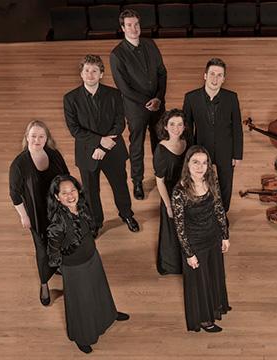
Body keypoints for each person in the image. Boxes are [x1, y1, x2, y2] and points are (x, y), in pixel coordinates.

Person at [46, 175, 130, 354]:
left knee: (100, 290)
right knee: (81, 303)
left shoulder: (82, 207)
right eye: (64, 193)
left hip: (92, 258)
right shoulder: (57, 224)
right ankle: (82, 336)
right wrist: (67, 270)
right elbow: (53, 256)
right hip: (74, 268)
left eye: (73, 190)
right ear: (56, 197)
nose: (70, 196)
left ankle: (109, 316)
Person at [63, 54, 139, 233]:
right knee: (90, 191)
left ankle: (126, 214)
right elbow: (74, 129)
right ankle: (96, 223)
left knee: (120, 185)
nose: (90, 74)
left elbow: (119, 123)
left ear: (101, 74)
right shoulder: (70, 99)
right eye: (86, 70)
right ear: (81, 74)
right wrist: (99, 142)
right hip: (87, 152)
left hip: (112, 150)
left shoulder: (114, 94)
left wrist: (104, 147)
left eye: (94, 71)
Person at [9, 120, 69, 306]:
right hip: (37, 216)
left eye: (41, 136)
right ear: (27, 138)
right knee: (43, 251)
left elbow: (66, 178)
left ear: (46, 138)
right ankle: (44, 283)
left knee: (62, 242)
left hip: (58, 211)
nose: (37, 139)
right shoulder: (19, 164)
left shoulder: (54, 155)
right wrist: (23, 216)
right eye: (33, 136)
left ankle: (61, 267)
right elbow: (14, 193)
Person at [172, 145, 231, 332]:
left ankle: (215, 308)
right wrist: (189, 254)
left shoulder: (211, 180)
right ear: (187, 164)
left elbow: (219, 209)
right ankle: (204, 320)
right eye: (195, 162)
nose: (200, 167)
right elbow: (179, 228)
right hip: (195, 244)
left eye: (204, 163)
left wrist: (224, 236)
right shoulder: (179, 192)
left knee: (213, 276)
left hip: (213, 237)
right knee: (200, 283)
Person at [110, 8, 168, 200]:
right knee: (136, 146)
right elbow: (123, 87)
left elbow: (162, 72)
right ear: (122, 28)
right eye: (129, 25)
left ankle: (162, 176)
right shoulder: (117, 55)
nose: (133, 29)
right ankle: (137, 181)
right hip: (136, 108)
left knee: (160, 141)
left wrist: (158, 97)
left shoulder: (150, 44)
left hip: (157, 104)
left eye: (136, 24)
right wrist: (146, 102)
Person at [183, 58, 243, 212]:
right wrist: (190, 154)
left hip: (226, 149)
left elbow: (237, 126)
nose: (215, 78)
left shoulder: (231, 97)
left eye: (219, 75)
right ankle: (205, 211)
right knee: (201, 181)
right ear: (205, 75)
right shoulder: (191, 98)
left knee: (225, 184)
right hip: (201, 148)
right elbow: (188, 128)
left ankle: (223, 213)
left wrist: (237, 154)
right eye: (212, 74)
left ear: (223, 79)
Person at [153, 109, 187, 275]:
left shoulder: (187, 142)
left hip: (187, 192)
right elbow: (159, 181)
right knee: (172, 232)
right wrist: (168, 206)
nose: (176, 128)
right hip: (170, 194)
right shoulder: (160, 150)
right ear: (165, 127)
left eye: (180, 124)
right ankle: (172, 265)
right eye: (172, 124)